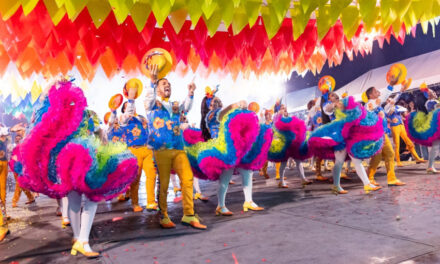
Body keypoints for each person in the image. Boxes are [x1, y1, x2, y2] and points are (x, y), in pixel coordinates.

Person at [15, 80, 138, 257]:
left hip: (90, 161)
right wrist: (51, 85)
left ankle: (81, 240)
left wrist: (103, 141)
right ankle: (80, 239)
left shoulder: (89, 115)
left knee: (91, 198)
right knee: (77, 200)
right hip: (69, 163)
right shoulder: (57, 115)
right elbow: (41, 109)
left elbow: (100, 133)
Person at [144, 64, 206, 229]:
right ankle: (163, 215)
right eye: (164, 84)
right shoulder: (151, 104)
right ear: (157, 88)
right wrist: (152, 81)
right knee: (164, 183)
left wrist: (191, 92)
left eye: (169, 85)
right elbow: (148, 100)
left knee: (188, 179)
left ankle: (189, 214)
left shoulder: (174, 105)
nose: (168, 86)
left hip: (178, 148)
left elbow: (186, 107)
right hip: (161, 148)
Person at [110, 79, 158, 212]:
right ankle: (135, 203)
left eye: (131, 105)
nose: (131, 107)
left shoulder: (142, 117)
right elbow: (128, 113)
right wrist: (130, 99)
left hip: (147, 149)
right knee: (135, 179)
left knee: (151, 175)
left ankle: (150, 202)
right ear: (124, 109)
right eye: (127, 106)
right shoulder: (123, 119)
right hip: (134, 151)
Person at [365, 78, 408, 186]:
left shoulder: (378, 106)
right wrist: (390, 85)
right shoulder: (370, 104)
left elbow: (391, 102)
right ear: (370, 95)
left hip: (382, 134)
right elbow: (384, 98)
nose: (378, 92)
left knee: (389, 154)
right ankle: (369, 178)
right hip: (376, 135)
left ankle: (390, 179)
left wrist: (401, 91)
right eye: (375, 91)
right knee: (378, 156)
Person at [384, 94, 425, 166]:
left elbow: (404, 111)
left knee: (409, 143)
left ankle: (417, 158)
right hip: (394, 127)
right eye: (390, 100)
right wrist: (390, 120)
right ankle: (398, 161)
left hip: (401, 126)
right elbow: (384, 118)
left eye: (392, 99)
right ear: (387, 101)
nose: (391, 100)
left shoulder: (397, 107)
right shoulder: (386, 108)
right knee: (397, 144)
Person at [10, 134, 35, 208]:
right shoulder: (12, 146)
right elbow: (10, 156)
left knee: (19, 183)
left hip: (22, 167)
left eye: (19, 138)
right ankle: (30, 197)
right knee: (21, 184)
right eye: (16, 138)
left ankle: (14, 200)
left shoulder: (24, 147)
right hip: (14, 167)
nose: (17, 140)